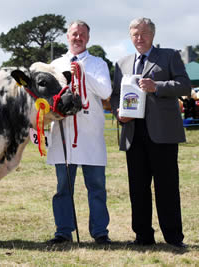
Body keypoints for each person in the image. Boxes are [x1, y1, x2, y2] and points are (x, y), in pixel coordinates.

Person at [110, 17, 191, 248]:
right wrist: (118, 113)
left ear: (152, 35)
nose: (139, 38)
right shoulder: (121, 63)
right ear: (130, 36)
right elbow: (116, 94)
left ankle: (174, 238)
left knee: (167, 187)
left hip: (162, 133)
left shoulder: (169, 56)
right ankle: (143, 237)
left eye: (144, 33)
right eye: (135, 34)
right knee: (137, 187)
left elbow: (185, 86)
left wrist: (158, 87)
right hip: (133, 132)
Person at [47, 20, 112, 245]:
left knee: (96, 187)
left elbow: (105, 91)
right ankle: (63, 231)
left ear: (88, 38)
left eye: (82, 34)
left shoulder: (97, 63)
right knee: (63, 187)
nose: (78, 37)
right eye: (74, 34)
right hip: (63, 133)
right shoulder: (55, 64)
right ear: (67, 36)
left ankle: (100, 232)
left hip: (90, 134)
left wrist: (84, 74)